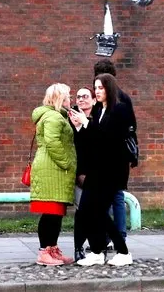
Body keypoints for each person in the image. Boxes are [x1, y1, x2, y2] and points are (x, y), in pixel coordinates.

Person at [70, 74, 134, 266]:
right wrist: (80, 127)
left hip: (112, 171)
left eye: (101, 88)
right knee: (88, 210)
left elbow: (111, 140)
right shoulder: (98, 110)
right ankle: (97, 251)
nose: (97, 91)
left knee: (97, 210)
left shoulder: (120, 110)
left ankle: (123, 252)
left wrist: (87, 123)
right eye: (95, 88)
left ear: (109, 89)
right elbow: (93, 141)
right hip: (96, 170)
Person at [93, 59, 138, 251]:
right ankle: (119, 235)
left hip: (108, 157)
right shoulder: (125, 97)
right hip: (121, 157)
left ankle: (109, 236)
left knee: (106, 198)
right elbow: (132, 127)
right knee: (117, 196)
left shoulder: (106, 100)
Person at [30, 83, 77, 266]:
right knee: (50, 214)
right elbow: (52, 142)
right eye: (68, 97)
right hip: (52, 170)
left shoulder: (57, 116)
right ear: (60, 98)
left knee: (56, 214)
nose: (70, 100)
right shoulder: (53, 118)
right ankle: (44, 252)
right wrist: (66, 162)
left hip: (55, 171)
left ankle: (52, 249)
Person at [70, 87, 96, 262]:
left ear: (93, 100)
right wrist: (79, 173)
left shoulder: (99, 118)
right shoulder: (70, 119)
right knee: (81, 212)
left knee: (98, 212)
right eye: (78, 97)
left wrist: (86, 123)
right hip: (79, 174)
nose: (81, 100)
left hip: (98, 173)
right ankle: (78, 247)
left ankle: (97, 247)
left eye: (85, 96)